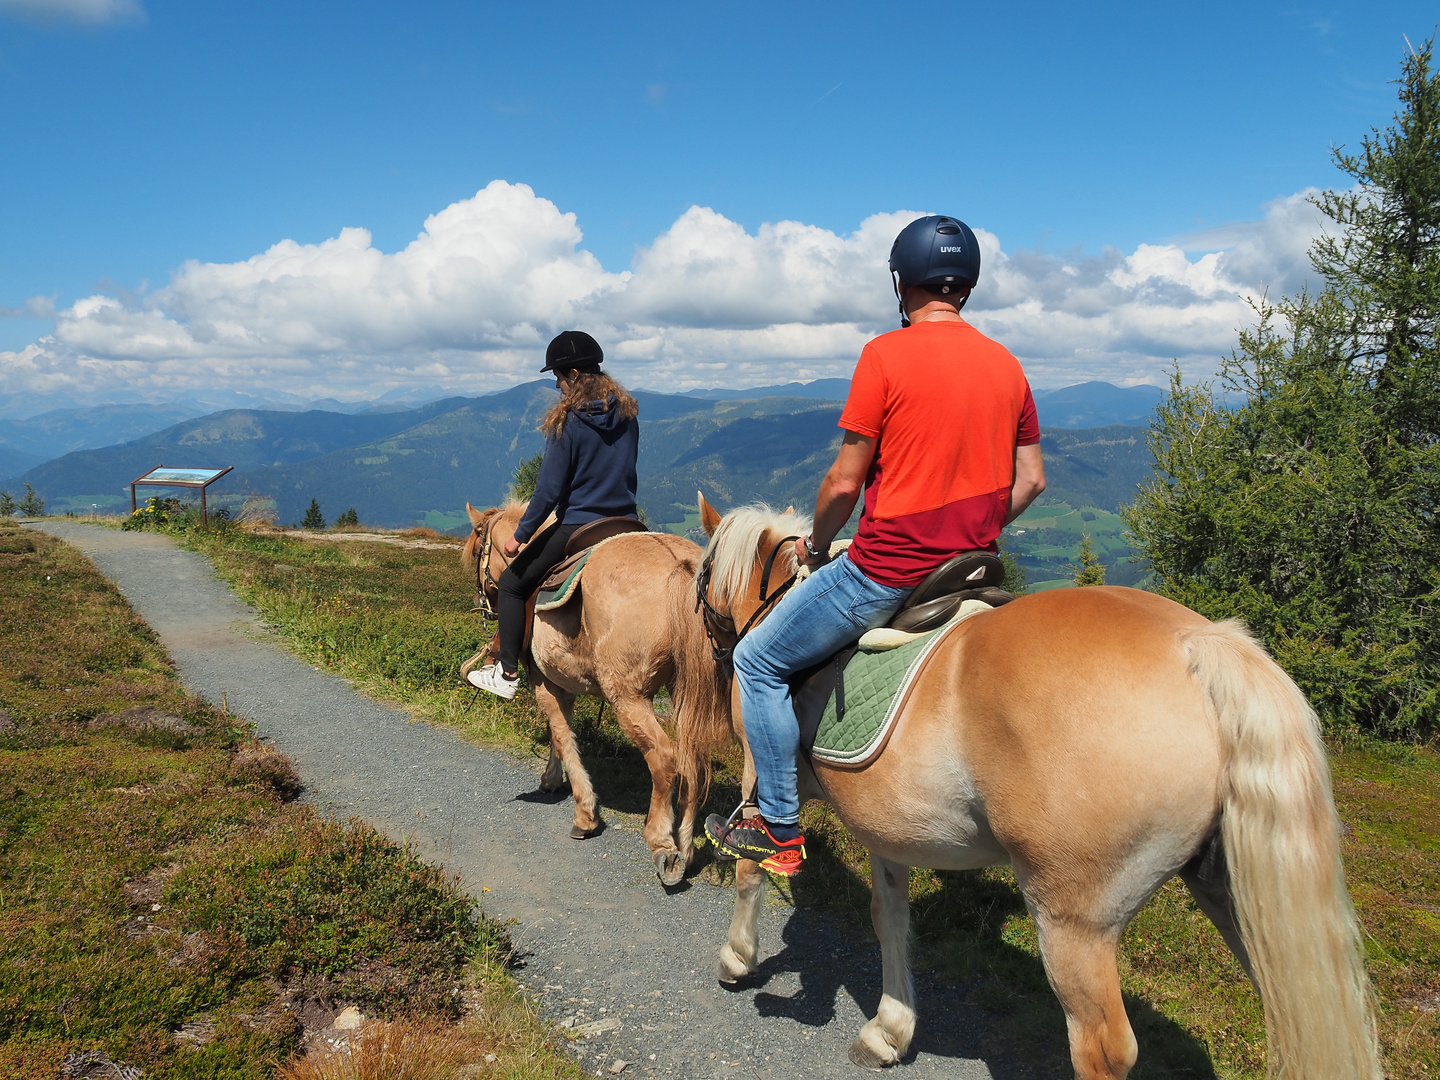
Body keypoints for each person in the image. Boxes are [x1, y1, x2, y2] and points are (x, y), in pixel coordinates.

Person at [705, 215, 1046, 875]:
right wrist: (975, 527)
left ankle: (776, 827)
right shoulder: (1007, 366)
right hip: (972, 569)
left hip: (887, 572)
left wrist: (817, 542)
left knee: (757, 660)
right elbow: (1031, 478)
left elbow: (843, 481)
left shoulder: (885, 356)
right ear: (965, 284)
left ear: (902, 281)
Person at [468, 330, 641, 700]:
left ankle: (507, 673)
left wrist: (519, 535)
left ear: (575, 374)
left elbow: (548, 490)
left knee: (514, 584)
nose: (558, 386)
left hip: (581, 524)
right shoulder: (628, 414)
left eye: (559, 377)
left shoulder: (569, 421)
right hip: (627, 523)